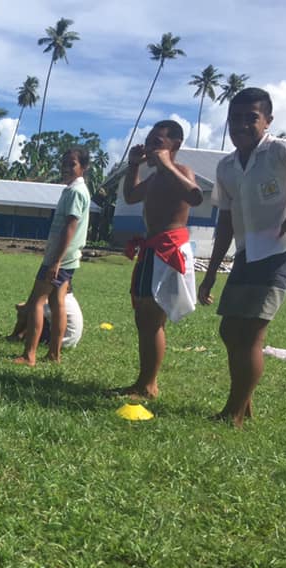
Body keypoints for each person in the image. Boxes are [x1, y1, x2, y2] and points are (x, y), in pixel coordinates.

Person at [198, 87, 286, 427]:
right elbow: (227, 221)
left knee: (251, 332)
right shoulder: (227, 166)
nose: (242, 125)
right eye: (236, 118)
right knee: (231, 329)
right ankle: (242, 403)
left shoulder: (282, 152)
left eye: (252, 118)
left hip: (281, 252)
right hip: (247, 254)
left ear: (268, 121)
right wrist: (212, 271)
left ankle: (233, 413)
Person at [116, 120, 203, 399]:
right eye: (149, 141)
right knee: (144, 315)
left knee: (152, 316)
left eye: (158, 142)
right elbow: (130, 196)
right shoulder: (154, 178)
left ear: (174, 146)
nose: (151, 147)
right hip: (151, 247)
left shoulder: (180, 171)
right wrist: (133, 165)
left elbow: (195, 195)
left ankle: (148, 384)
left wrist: (166, 163)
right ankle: (144, 381)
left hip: (167, 248)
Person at [14, 147, 91, 366]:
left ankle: (29, 354)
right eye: (64, 163)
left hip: (60, 258)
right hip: (67, 257)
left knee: (37, 302)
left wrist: (56, 260)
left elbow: (70, 227)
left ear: (83, 168)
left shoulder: (76, 192)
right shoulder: (73, 190)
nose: (66, 168)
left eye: (72, 164)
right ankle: (54, 354)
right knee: (57, 303)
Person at [7, 290, 84, 349]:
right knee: (39, 315)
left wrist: (25, 306)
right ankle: (21, 336)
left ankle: (14, 336)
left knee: (33, 313)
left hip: (58, 341)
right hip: (71, 342)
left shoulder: (56, 301)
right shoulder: (69, 299)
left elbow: (27, 310)